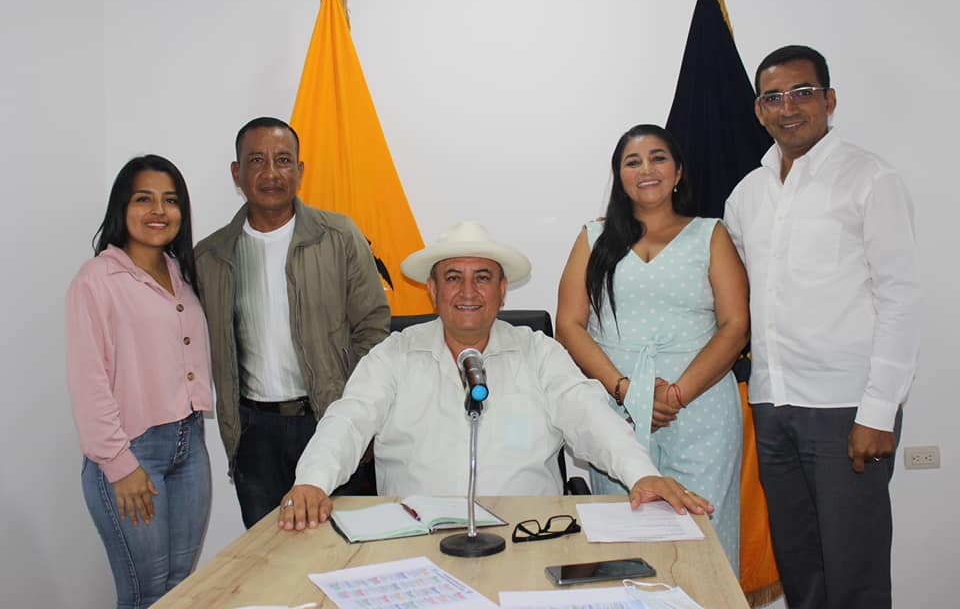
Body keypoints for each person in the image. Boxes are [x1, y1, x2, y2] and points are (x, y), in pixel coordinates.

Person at [278, 220, 716, 531]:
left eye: (483, 278)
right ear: (432, 291)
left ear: (503, 290)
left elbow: (589, 415)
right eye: (453, 278)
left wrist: (640, 474)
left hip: (526, 535)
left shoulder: (539, 352)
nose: (468, 292)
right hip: (415, 538)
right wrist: (312, 482)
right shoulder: (394, 353)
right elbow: (349, 420)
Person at [723, 45, 920, 609]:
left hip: (847, 409)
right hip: (773, 405)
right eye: (773, 97)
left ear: (830, 100)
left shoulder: (870, 178)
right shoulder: (747, 194)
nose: (788, 107)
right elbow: (734, 292)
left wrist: (878, 411)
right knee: (800, 570)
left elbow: (900, 298)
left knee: (854, 574)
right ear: (758, 110)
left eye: (803, 92)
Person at [555, 124, 749, 566]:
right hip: (617, 409)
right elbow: (569, 325)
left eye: (658, 158)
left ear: (678, 171)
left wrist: (676, 395)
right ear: (620, 176)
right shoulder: (593, 238)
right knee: (625, 539)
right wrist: (628, 391)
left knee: (703, 535)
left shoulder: (710, 234)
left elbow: (736, 325)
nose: (647, 169)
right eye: (633, 161)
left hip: (700, 407)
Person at [195, 117, 390, 528]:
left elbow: (373, 330)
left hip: (330, 420)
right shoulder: (210, 257)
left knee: (342, 548)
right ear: (236, 172)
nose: (271, 173)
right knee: (268, 551)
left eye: (283, 160)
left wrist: (364, 419)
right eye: (257, 160)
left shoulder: (338, 236)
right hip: (254, 435)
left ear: (299, 170)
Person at [66, 155, 212, 609]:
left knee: (179, 587)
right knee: (145, 593)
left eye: (171, 200)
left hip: (190, 446)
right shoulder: (97, 280)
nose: (159, 210)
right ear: (122, 207)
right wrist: (119, 464)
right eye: (144, 199)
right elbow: (88, 383)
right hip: (132, 454)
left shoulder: (182, 273)